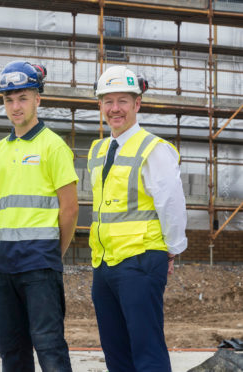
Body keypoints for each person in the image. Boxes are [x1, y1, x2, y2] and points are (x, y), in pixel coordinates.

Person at [88, 65, 187, 372]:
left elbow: (171, 203)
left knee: (146, 349)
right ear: (101, 105)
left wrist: (171, 248)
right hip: (104, 264)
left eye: (123, 101)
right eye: (108, 101)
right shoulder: (99, 149)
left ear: (137, 104)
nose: (115, 108)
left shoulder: (153, 149)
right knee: (116, 352)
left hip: (141, 262)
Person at [0, 61, 78, 372]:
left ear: (38, 98)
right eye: (8, 99)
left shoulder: (54, 147)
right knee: (11, 348)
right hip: (4, 264)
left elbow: (70, 209)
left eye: (22, 98)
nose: (15, 106)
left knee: (49, 345)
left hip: (39, 262)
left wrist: (52, 253)